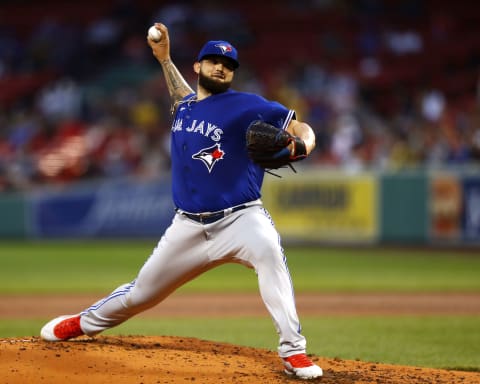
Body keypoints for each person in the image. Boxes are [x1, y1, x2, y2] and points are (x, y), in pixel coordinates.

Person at [40, 22, 322, 380]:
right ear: (198, 67)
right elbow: (182, 96)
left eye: (229, 64)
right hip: (187, 225)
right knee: (140, 294)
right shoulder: (186, 106)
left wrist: (303, 144)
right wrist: (164, 59)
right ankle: (82, 323)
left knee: (270, 256)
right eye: (213, 61)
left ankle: (293, 352)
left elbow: (300, 127)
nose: (221, 67)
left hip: (241, 219)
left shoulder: (248, 105)